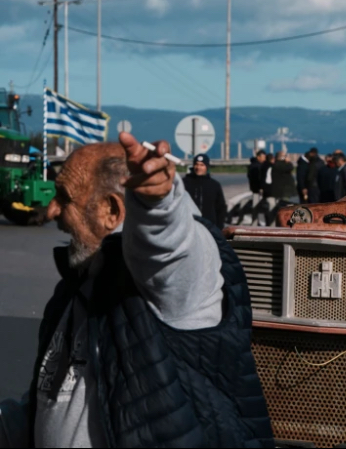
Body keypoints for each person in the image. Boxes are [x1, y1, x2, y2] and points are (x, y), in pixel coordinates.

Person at [0, 134, 273, 447]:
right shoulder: (79, 281)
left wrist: (156, 203)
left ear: (112, 211)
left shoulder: (177, 276)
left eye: (64, 197)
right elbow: (53, 401)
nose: (51, 211)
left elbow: (167, 248)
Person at [181, 152, 227, 230]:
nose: (198, 167)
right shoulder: (184, 183)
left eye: (202, 165)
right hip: (188, 226)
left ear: (207, 167)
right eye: (197, 164)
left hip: (209, 227)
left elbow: (220, 208)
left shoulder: (214, 185)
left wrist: (219, 227)